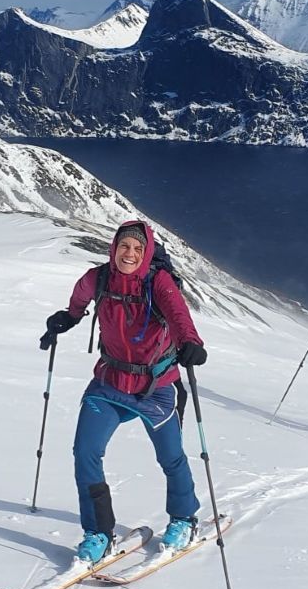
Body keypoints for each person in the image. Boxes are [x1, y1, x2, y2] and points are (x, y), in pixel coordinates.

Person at [38, 219, 208, 564]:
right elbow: (79, 301)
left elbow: (179, 316)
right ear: (113, 248)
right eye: (124, 247)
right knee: (85, 452)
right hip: (109, 383)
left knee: (171, 457)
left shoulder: (158, 282)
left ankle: (184, 517)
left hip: (156, 388)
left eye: (137, 249)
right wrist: (66, 319)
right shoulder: (98, 278)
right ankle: (98, 531)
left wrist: (191, 343)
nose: (129, 254)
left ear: (146, 255)